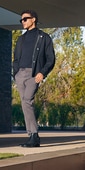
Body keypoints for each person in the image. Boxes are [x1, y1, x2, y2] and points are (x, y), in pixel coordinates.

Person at [12, 10, 55, 147]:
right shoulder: (20, 39)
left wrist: (42, 72)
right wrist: (16, 73)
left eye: (25, 19)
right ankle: (32, 136)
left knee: (27, 101)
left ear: (34, 19)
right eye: (22, 20)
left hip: (33, 74)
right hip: (20, 75)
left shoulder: (44, 38)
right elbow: (16, 59)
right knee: (25, 104)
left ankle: (34, 135)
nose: (23, 22)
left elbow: (51, 59)